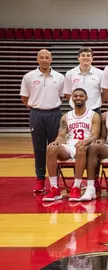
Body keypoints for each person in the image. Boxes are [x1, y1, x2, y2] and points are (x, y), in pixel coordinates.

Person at [42, 88, 101, 201]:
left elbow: (95, 135)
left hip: (85, 146)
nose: (78, 98)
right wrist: (57, 141)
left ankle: (76, 186)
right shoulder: (66, 116)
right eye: (75, 96)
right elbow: (61, 135)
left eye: (81, 96)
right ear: (72, 98)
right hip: (69, 147)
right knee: (51, 148)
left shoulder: (94, 115)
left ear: (86, 98)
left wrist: (86, 141)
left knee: (81, 148)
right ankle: (54, 188)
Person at [20, 49, 65, 193]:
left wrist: (49, 106)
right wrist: (37, 108)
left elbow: (62, 96)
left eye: (47, 57)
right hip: (36, 114)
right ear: (37, 59)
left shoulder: (59, 77)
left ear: (51, 59)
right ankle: (40, 180)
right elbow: (25, 97)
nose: (45, 60)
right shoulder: (29, 77)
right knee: (39, 149)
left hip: (54, 113)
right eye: (42, 57)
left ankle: (54, 182)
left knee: (55, 149)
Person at [64, 47, 104, 115]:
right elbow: (67, 94)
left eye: (88, 55)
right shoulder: (70, 74)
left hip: (94, 110)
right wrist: (77, 104)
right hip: (76, 110)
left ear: (92, 58)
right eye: (83, 55)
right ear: (78, 58)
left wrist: (96, 104)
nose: (86, 57)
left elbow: (103, 93)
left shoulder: (100, 74)